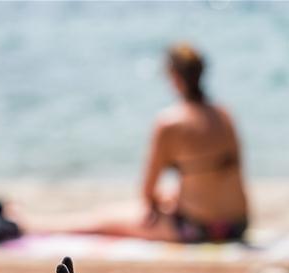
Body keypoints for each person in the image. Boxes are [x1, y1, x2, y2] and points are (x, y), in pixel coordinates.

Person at [21, 43, 250, 243]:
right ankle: (27, 222)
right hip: (237, 225)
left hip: (200, 230)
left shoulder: (170, 122)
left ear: (174, 77)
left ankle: (28, 225)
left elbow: (147, 192)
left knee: (102, 220)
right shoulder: (225, 115)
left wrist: (163, 200)